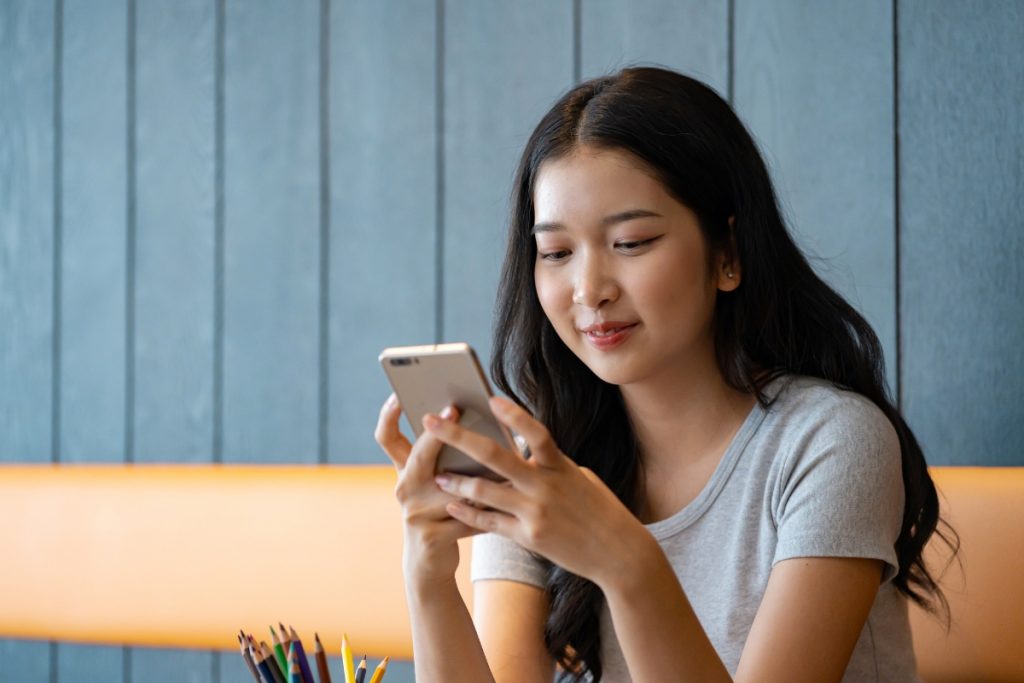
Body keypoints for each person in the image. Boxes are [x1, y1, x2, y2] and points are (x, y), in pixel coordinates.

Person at [374, 66, 955, 682]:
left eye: (630, 242)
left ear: (727, 255)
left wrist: (625, 561)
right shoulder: (545, 458)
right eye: (557, 253)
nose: (589, 290)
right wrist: (429, 577)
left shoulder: (830, 442)